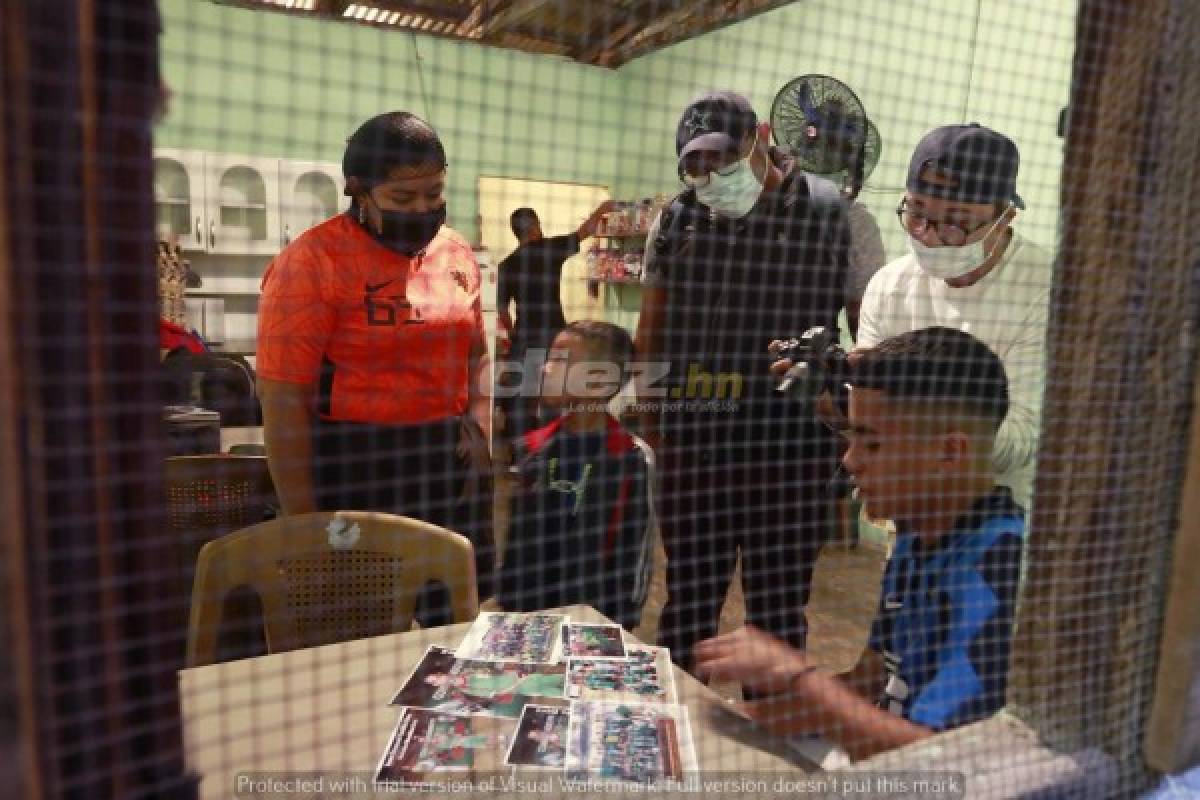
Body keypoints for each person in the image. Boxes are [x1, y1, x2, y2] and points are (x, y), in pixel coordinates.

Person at [695, 326, 1024, 760]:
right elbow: (872, 678)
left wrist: (800, 678)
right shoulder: (917, 536)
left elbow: (939, 760)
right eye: (850, 438)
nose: (849, 460)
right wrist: (722, 723)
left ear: (950, 452)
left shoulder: (999, 565)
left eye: (871, 442)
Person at [634, 90, 851, 671]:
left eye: (721, 159)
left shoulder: (835, 214)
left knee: (778, 613)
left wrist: (855, 416)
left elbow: (868, 329)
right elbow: (650, 329)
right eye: (695, 164)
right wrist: (655, 427)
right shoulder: (677, 219)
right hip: (696, 450)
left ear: (759, 137)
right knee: (688, 605)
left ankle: (773, 735)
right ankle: (669, 734)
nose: (709, 175)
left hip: (791, 458)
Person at [256, 111, 494, 615]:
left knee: (450, 617)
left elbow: (477, 354)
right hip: (354, 462)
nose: (424, 209)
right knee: (360, 620)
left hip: (445, 458)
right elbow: (282, 399)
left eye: (435, 194)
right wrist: (303, 525)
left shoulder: (456, 253)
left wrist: (480, 432)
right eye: (403, 199)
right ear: (359, 193)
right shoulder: (312, 262)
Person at [856, 123, 1053, 512]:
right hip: (914, 511)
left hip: (1008, 524)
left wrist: (913, 417)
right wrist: (835, 396)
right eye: (916, 213)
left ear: (1005, 217)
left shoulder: (1047, 291)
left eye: (957, 221)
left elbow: (1022, 439)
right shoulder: (889, 286)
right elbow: (870, 415)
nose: (929, 236)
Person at [498, 320, 656, 630]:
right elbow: (518, 533)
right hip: (529, 612)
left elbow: (637, 546)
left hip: (594, 617)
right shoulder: (532, 448)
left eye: (560, 361)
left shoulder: (631, 457)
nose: (545, 369)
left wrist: (625, 615)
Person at [495, 201, 614, 441]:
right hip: (554, 337)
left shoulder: (506, 265)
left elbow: (502, 310)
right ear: (535, 228)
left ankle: (521, 454)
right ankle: (550, 447)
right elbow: (585, 231)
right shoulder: (550, 249)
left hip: (524, 339)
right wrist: (603, 209)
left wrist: (511, 335)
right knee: (554, 395)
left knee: (522, 399)